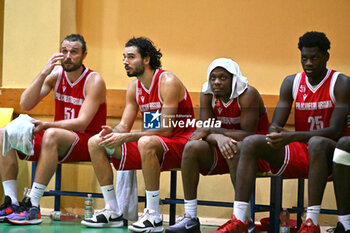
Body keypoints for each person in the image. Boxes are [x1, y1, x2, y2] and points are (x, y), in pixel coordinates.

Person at [227, 31, 350, 233]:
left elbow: (335, 131)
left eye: (314, 58)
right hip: (303, 149)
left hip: (332, 153)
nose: (308, 63)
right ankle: (240, 219)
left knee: (317, 142)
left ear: (326, 57)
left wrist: (291, 136)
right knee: (251, 142)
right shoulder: (291, 82)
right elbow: (275, 126)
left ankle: (311, 222)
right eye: (304, 58)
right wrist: (276, 135)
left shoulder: (341, 82)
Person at [82, 37, 195, 231]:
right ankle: (113, 210)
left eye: (131, 57)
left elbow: (167, 130)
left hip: (181, 143)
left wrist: (125, 136)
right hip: (154, 142)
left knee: (146, 142)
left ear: (146, 59)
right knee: (95, 142)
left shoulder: (168, 81)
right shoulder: (134, 87)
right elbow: (125, 126)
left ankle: (153, 215)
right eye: (124, 57)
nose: (125, 61)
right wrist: (112, 132)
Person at [0, 34, 107, 225]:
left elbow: (82, 123)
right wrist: (44, 73)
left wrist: (48, 124)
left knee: (51, 133)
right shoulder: (56, 75)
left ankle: (33, 205)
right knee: (3, 133)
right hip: (58, 139)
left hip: (88, 141)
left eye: (74, 52)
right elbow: (26, 103)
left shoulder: (94, 80)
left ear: (84, 55)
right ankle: (12, 202)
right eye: (64, 51)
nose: (67, 56)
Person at [165, 58, 270, 233]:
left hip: (257, 153)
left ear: (234, 79)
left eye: (223, 78)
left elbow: (249, 134)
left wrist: (215, 132)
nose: (216, 82)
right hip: (226, 150)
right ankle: (190, 218)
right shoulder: (207, 93)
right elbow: (203, 132)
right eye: (213, 77)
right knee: (191, 148)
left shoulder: (248, 94)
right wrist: (219, 138)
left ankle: (243, 219)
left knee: (238, 147)